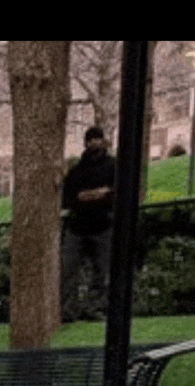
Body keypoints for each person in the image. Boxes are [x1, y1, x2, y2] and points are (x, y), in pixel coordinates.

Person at [62, 126, 115, 322]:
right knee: (69, 271)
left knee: (101, 271)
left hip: (102, 226)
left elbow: (113, 194)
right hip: (77, 228)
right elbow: (69, 198)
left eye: (97, 139)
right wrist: (98, 193)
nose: (94, 142)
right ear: (85, 143)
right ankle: (69, 311)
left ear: (103, 141)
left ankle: (95, 308)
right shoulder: (77, 170)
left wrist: (90, 195)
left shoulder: (112, 166)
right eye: (90, 139)